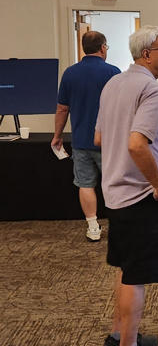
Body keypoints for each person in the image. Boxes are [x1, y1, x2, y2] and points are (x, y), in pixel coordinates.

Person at [94, 25, 158, 346]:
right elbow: (136, 145)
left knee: (126, 268)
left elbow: (100, 138)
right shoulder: (151, 90)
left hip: (115, 191)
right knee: (136, 275)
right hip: (140, 194)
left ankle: (118, 335)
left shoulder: (114, 83)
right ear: (147, 54)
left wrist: (156, 147)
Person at [52, 31, 120, 241]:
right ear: (102, 48)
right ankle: (118, 226)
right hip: (108, 143)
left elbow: (62, 108)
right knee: (113, 184)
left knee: (85, 184)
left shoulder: (70, 73)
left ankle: (93, 227)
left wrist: (57, 135)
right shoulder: (113, 72)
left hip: (81, 142)